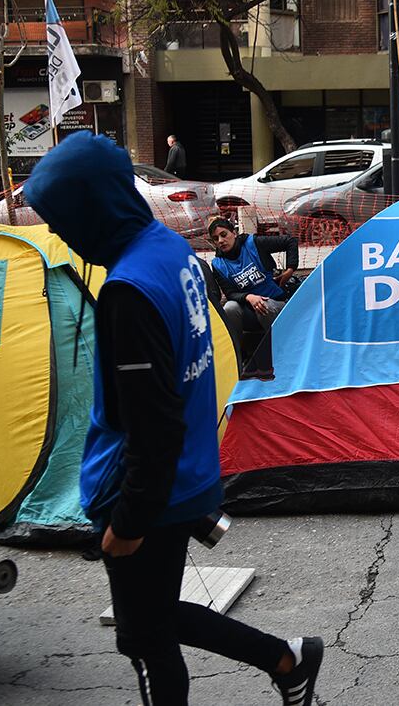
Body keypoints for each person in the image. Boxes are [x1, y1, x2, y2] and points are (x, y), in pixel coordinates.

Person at [22, 133, 322, 706]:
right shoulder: (167, 247)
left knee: (145, 639)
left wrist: (128, 523)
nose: (58, 231)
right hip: (182, 475)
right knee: (153, 617)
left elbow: (151, 424)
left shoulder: (128, 291)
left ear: (92, 207)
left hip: (145, 490)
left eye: (61, 216)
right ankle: (286, 660)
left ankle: (286, 660)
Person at [207, 218, 298, 378]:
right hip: (249, 310)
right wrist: (249, 297)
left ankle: (279, 354)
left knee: (265, 304)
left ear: (233, 233)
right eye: (216, 238)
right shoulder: (218, 264)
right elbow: (230, 294)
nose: (221, 240)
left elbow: (290, 241)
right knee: (229, 307)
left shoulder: (253, 243)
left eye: (224, 234)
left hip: (275, 304)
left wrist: (290, 269)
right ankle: (239, 356)